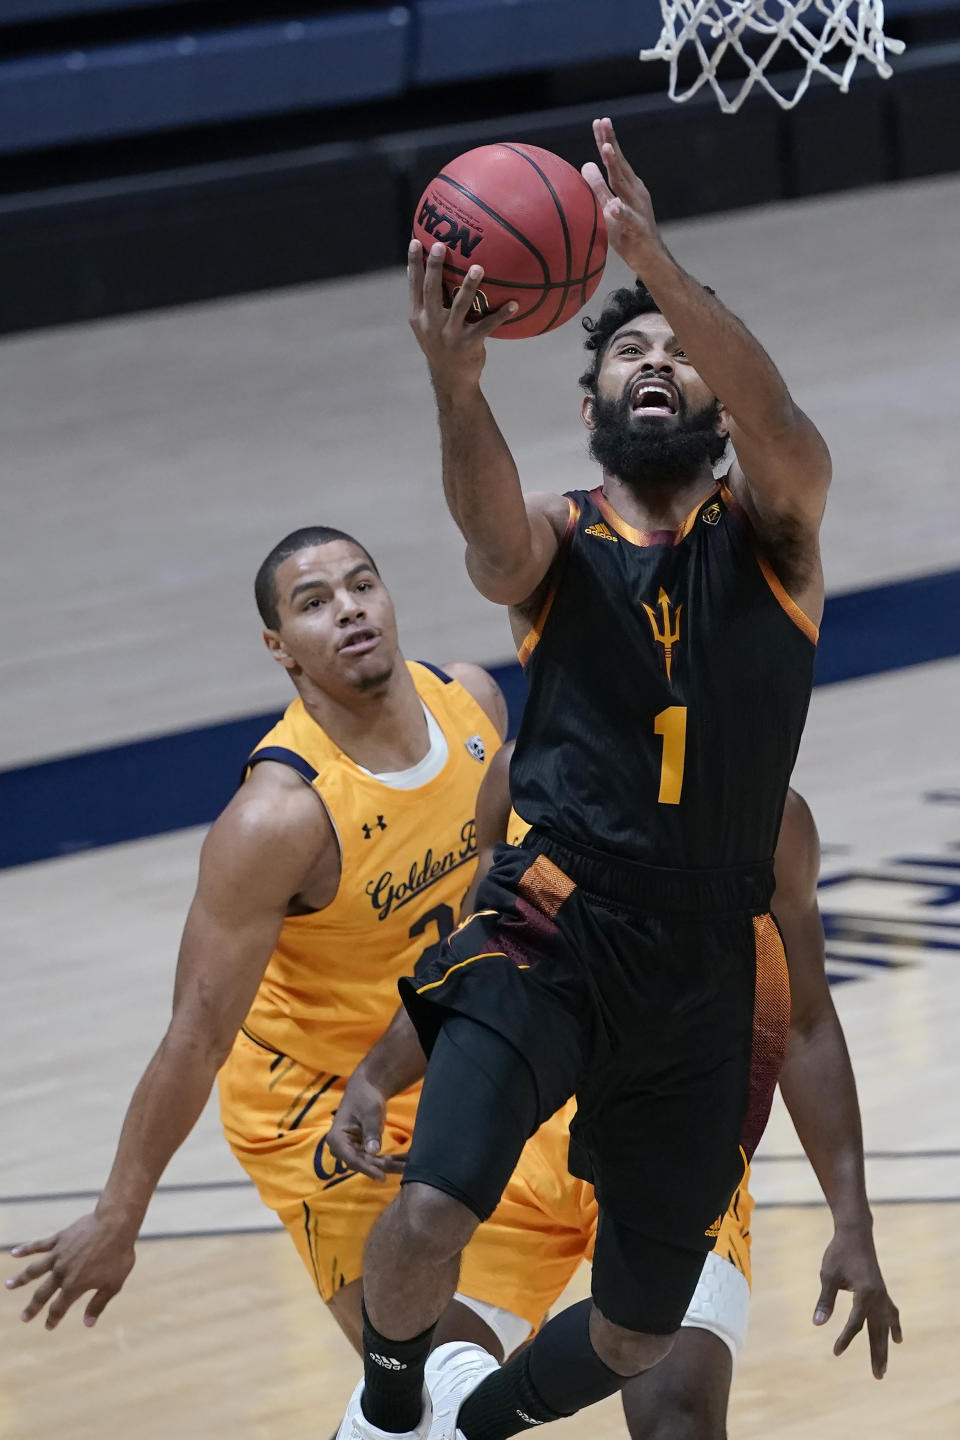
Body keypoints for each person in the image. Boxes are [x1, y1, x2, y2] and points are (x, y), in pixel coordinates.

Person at [332, 116, 841, 1440]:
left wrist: (653, 265)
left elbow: (779, 413)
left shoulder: (778, 537)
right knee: (431, 1211)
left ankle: (479, 1424)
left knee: (634, 1330)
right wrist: (455, 384)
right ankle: (396, 1404)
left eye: (680, 354)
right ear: (594, 402)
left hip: (698, 961)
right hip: (553, 917)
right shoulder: (561, 543)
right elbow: (492, 546)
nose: (659, 363)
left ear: (716, 404)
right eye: (630, 352)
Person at [4, 525, 522, 1358]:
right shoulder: (277, 818)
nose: (348, 611)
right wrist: (119, 1214)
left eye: (361, 586)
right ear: (280, 648)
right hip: (318, 1103)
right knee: (431, 1381)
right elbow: (197, 1035)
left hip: (449, 1053)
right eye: (315, 604)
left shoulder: (473, 702)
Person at [445, 744, 900, 1438]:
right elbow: (479, 963)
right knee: (421, 1404)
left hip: (675, 1146)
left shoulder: (768, 820)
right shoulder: (520, 771)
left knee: (678, 1420)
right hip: (522, 1144)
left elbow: (804, 1024)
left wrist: (852, 1220)